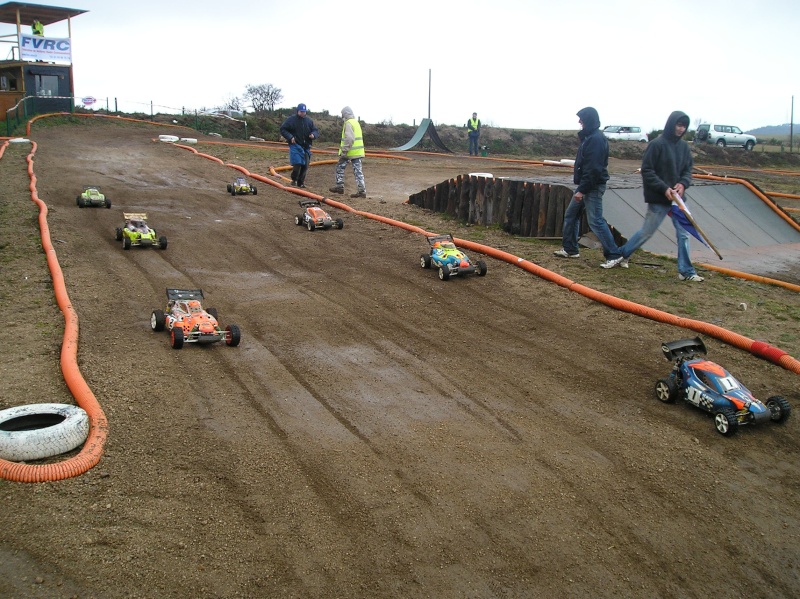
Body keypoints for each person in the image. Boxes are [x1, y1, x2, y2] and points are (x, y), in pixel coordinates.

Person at [602, 110, 703, 281]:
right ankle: (622, 254)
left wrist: (683, 184)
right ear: (672, 124)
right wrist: (664, 188)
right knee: (647, 232)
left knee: (684, 233)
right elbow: (647, 170)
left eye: (684, 126)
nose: (681, 129)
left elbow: (687, 171)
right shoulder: (657, 145)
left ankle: (686, 271)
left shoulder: (684, 148)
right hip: (659, 198)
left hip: (678, 200)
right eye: (679, 125)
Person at [554, 107, 622, 267]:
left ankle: (613, 254)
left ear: (588, 120)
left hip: (592, 186)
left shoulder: (595, 140)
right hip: (587, 185)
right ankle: (570, 249)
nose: (579, 122)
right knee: (571, 215)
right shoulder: (590, 137)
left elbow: (594, 169)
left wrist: (582, 190)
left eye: (582, 119)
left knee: (596, 221)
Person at [329, 106, 367, 198]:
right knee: (358, 172)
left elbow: (349, 139)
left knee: (339, 168)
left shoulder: (348, 123)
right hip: (357, 152)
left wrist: (344, 150)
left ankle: (339, 187)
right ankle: (361, 191)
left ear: (345, 114)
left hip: (349, 152)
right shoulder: (355, 122)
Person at [279, 103, 319, 188]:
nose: (303, 113)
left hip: (306, 146)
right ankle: (294, 179)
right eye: (301, 111)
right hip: (296, 145)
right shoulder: (291, 120)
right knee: (297, 164)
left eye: (304, 112)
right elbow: (283, 129)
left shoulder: (309, 121)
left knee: (305, 165)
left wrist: (313, 135)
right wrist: (290, 137)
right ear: (298, 111)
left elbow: (315, 130)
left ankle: (301, 183)